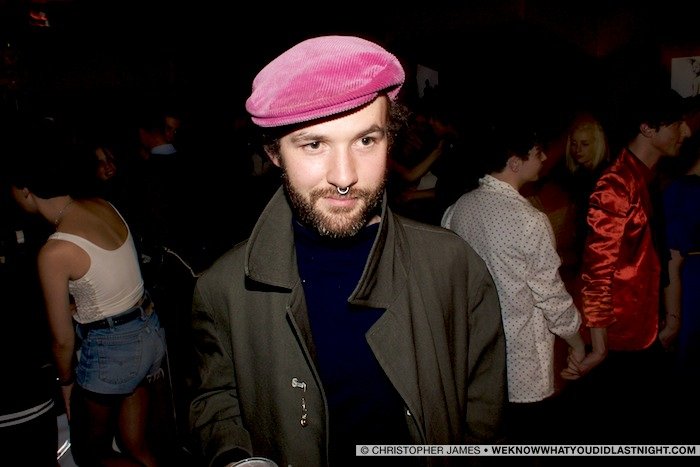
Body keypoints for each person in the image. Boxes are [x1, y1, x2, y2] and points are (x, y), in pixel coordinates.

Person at [188, 35, 507, 467]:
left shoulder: (453, 266)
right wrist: (235, 455)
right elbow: (215, 397)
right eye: (314, 144)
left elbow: (484, 408)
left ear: (389, 139)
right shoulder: (223, 289)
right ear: (274, 152)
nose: (344, 177)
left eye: (366, 141)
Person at [8, 124, 167, 467]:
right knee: (136, 446)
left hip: (114, 351)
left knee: (91, 455)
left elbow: (62, 341)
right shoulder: (102, 205)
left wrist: (65, 384)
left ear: (25, 190)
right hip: (148, 332)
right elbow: (110, 282)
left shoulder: (55, 251)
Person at [441, 122, 586, 445]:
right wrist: (577, 341)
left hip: (475, 352)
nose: (545, 157)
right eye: (537, 152)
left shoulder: (459, 208)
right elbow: (550, 295)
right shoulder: (528, 219)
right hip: (520, 357)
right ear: (515, 162)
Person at [571, 87, 692, 444]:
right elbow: (596, 274)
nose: (686, 132)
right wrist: (599, 346)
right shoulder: (615, 184)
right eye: (677, 123)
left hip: (645, 332)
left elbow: (659, 256)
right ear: (648, 128)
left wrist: (669, 318)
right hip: (620, 341)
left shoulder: (648, 177)